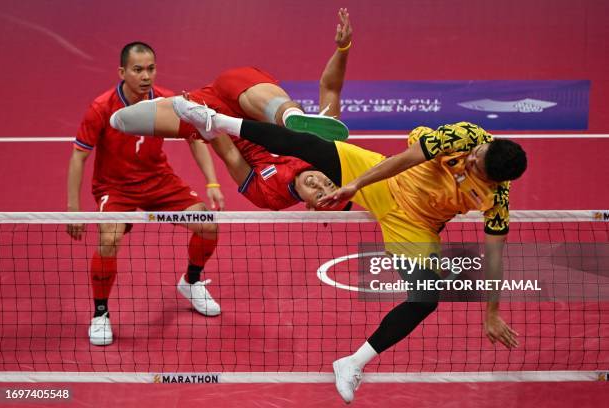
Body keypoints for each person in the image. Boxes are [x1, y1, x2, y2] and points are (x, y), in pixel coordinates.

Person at [164, 102, 528, 403]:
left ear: (494, 181)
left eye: (476, 166)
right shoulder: (466, 136)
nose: (471, 160)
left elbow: (494, 256)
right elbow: (405, 159)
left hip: (415, 226)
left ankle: (352, 363)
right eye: (476, 155)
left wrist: (491, 313)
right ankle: (217, 120)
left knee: (426, 298)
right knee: (309, 145)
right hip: (388, 181)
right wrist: (356, 183)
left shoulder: (496, 199)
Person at [109, 8, 353, 211]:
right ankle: (292, 117)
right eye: (329, 184)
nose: (318, 184)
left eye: (320, 195)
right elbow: (330, 88)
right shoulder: (329, 156)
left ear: (311, 207)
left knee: (121, 120)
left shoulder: (272, 197)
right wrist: (343, 49)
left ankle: (177, 108)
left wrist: (207, 122)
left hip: (214, 119)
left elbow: (231, 157)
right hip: (250, 96)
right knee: (282, 115)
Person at [66, 42, 225, 347]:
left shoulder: (168, 101)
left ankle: (190, 282)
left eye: (150, 68)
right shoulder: (101, 107)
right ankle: (101, 314)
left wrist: (212, 182)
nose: (145, 75)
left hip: (158, 181)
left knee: (208, 225)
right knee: (108, 239)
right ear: (122, 72)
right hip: (115, 187)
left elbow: (195, 138)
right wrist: (73, 209)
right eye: (137, 70)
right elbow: (78, 156)